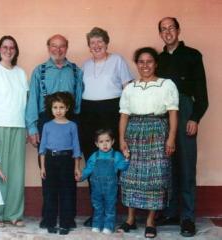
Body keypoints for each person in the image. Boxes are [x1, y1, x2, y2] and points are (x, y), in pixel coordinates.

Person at [156, 17, 209, 237]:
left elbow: (202, 94)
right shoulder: (157, 59)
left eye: (171, 28)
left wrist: (195, 118)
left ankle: (187, 217)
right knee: (166, 164)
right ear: (160, 34)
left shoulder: (193, 55)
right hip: (162, 115)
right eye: (163, 29)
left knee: (186, 166)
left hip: (185, 110)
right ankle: (170, 212)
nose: (167, 32)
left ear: (178, 30)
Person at [119, 47, 179, 238]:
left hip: (157, 131)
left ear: (156, 63)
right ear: (136, 64)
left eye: (149, 61)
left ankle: (150, 221)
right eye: (141, 62)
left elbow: (173, 113)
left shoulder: (166, 85)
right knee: (131, 176)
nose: (145, 65)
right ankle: (130, 219)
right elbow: (124, 116)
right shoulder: (130, 87)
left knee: (156, 175)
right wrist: (121, 139)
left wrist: (171, 138)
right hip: (134, 131)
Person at [25, 34, 83, 228]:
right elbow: (32, 99)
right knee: (48, 175)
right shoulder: (39, 71)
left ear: (67, 48)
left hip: (69, 121)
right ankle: (48, 217)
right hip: (46, 121)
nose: (58, 50)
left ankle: (68, 218)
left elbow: (80, 99)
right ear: (48, 47)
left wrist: (76, 124)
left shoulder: (76, 71)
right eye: (54, 46)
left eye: (62, 46)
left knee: (68, 179)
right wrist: (33, 127)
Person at [80, 26, 134, 227]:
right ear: (89, 46)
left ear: (106, 42)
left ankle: (112, 211)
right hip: (88, 115)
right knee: (93, 161)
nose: (96, 45)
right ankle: (97, 212)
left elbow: (127, 89)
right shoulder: (85, 65)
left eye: (99, 41)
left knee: (112, 161)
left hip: (111, 112)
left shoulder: (117, 60)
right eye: (92, 42)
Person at [0, 35, 29, 226]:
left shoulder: (20, 72)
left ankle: (14, 214)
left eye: (12, 47)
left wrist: (27, 127)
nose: (8, 50)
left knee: (16, 172)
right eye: (5, 47)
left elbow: (24, 103)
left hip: (18, 126)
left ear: (15, 51)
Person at [39, 92, 81, 235]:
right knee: (50, 193)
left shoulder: (72, 126)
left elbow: (76, 148)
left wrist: (76, 167)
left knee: (66, 193)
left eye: (61, 107)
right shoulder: (47, 126)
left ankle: (65, 223)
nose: (58, 111)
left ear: (67, 108)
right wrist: (42, 167)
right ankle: (50, 222)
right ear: (50, 109)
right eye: (55, 107)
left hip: (67, 161)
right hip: (50, 160)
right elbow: (42, 148)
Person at [77, 129, 129, 234]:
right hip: (96, 187)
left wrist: (126, 159)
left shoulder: (116, 155)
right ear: (96, 144)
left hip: (111, 187)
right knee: (97, 206)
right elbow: (88, 169)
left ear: (113, 141)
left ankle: (108, 226)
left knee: (110, 206)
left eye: (107, 141)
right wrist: (81, 177)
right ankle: (97, 225)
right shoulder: (94, 156)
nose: (105, 144)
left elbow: (122, 167)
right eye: (101, 142)